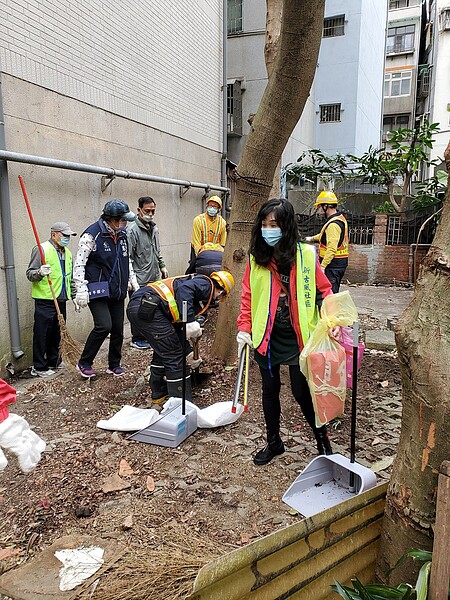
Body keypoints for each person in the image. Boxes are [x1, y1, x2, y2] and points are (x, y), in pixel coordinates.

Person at [236, 198, 339, 466]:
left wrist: (332, 319)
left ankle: (323, 441)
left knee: (301, 391)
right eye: (265, 224)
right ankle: (274, 443)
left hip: (298, 336)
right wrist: (244, 329)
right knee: (269, 390)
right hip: (267, 335)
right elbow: (248, 296)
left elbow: (324, 290)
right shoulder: (256, 257)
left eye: (275, 225)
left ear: (287, 226)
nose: (268, 229)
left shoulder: (305, 255)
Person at [127, 271, 234, 405]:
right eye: (221, 296)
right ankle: (181, 405)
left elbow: (176, 331)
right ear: (221, 291)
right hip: (149, 307)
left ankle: (160, 393)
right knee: (173, 354)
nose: (217, 300)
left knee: (166, 348)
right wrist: (189, 320)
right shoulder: (206, 285)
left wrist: (189, 352)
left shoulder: (195, 289)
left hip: (143, 306)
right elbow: (185, 290)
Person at [73, 200, 139, 378]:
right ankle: (84, 362)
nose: (125, 224)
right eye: (122, 220)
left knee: (117, 328)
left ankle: (114, 364)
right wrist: (80, 288)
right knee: (104, 325)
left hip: (117, 289)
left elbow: (127, 260)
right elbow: (79, 263)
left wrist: (132, 280)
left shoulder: (122, 234)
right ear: (112, 219)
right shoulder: (91, 235)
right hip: (98, 289)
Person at [26, 222, 78, 377]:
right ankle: (39, 367)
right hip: (45, 299)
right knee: (42, 334)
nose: (67, 238)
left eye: (69, 235)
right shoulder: (41, 250)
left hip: (61, 299)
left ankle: (54, 361)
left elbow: (70, 277)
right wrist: (40, 272)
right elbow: (30, 274)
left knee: (57, 332)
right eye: (64, 235)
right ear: (54, 234)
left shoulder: (67, 253)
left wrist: (74, 295)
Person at [128, 196, 169, 349]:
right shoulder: (132, 230)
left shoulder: (154, 228)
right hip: (138, 278)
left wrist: (162, 266)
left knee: (151, 307)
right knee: (138, 309)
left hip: (153, 276)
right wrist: (132, 281)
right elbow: (128, 258)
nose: (150, 214)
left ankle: (148, 336)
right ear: (139, 210)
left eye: (153, 211)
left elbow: (157, 250)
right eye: (147, 211)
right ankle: (137, 338)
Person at [306, 191, 349, 293]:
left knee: (329, 295)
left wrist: (322, 266)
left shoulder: (333, 224)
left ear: (326, 206)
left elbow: (332, 248)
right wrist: (311, 239)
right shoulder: (339, 218)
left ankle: (331, 310)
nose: (319, 210)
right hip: (337, 264)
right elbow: (324, 236)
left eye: (320, 207)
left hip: (333, 266)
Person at [187, 195, 227, 272]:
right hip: (199, 251)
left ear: (219, 209)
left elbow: (223, 244)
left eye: (215, 206)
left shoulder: (222, 223)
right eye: (210, 205)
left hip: (215, 253)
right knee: (193, 269)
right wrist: (200, 256)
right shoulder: (198, 220)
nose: (212, 208)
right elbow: (196, 241)